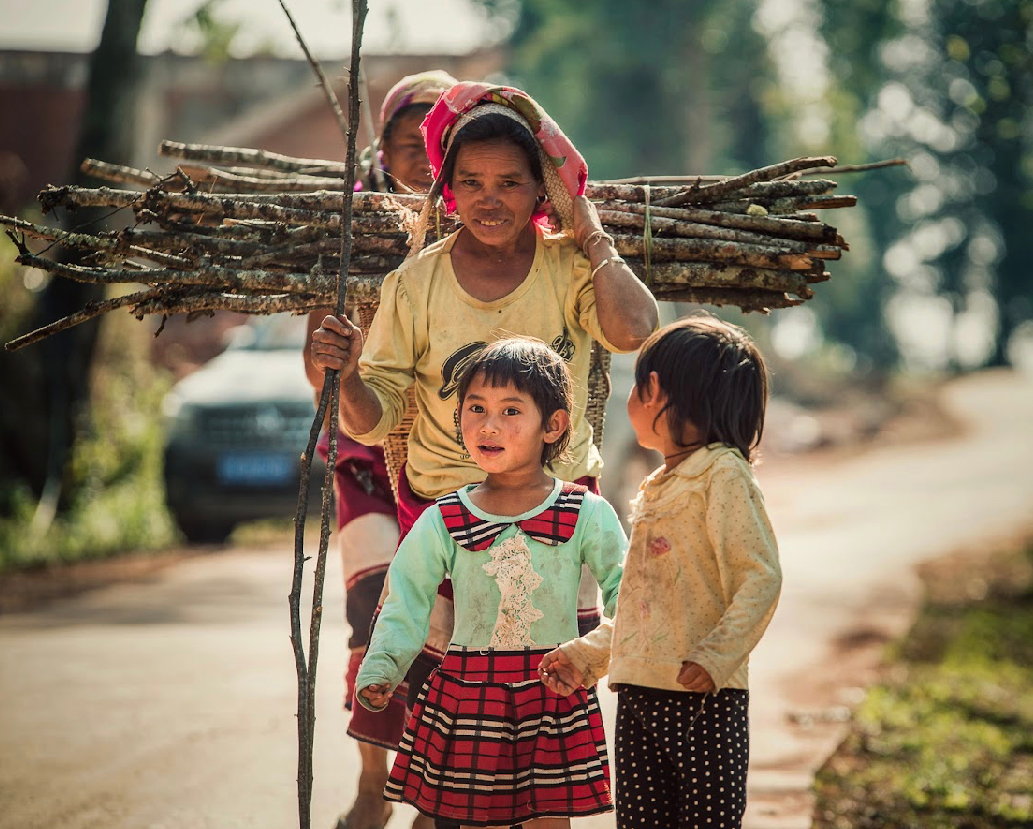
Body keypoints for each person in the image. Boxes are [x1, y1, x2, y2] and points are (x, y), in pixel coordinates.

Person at [355, 337, 628, 828]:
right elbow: (406, 601)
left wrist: (592, 655)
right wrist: (383, 667)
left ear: (555, 425)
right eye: (476, 408)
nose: (489, 424)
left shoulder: (586, 514)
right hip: (466, 700)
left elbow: (630, 597)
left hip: (554, 698)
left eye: (510, 410)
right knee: (465, 819)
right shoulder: (444, 518)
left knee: (549, 820)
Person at [538, 313, 783, 829]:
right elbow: (643, 607)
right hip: (639, 698)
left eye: (636, 384)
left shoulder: (723, 475)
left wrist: (717, 656)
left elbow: (760, 577)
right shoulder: (659, 485)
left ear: (654, 391)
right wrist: (586, 658)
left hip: (704, 702)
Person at [301, 69, 457, 829]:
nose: (425, 160)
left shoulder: (495, 230)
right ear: (383, 150)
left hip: (459, 461)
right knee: (375, 613)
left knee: (447, 625)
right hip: (366, 459)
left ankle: (433, 794)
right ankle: (373, 783)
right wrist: (338, 356)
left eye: (441, 143)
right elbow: (314, 370)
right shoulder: (349, 232)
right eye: (409, 144)